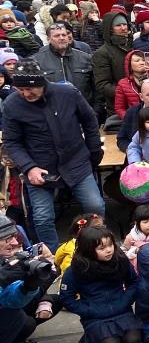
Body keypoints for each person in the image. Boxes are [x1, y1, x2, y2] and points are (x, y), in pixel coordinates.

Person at [2, 60, 103, 248]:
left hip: (75, 160)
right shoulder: (12, 104)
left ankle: (96, 245)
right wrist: (29, 167)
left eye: (30, 89)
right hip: (38, 165)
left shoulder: (67, 93)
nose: (25, 94)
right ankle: (53, 259)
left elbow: (89, 120)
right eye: (20, 89)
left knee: (95, 206)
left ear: (42, 82)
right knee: (42, 218)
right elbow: (11, 142)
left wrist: (93, 151)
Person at [60, 226, 142, 343]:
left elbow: (134, 282)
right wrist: (88, 310)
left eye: (110, 245)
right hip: (95, 317)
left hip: (121, 311)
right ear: (88, 250)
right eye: (101, 248)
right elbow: (66, 298)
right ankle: (92, 337)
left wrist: (125, 300)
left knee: (132, 341)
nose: (109, 250)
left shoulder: (120, 260)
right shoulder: (76, 269)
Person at [33, 22, 94, 101]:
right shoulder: (37, 61)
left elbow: (96, 88)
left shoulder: (85, 58)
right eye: (57, 36)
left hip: (83, 109)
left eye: (64, 35)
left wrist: (96, 110)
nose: (61, 38)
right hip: (52, 109)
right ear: (48, 39)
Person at [91, 10, 131, 119]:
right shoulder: (102, 53)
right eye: (118, 25)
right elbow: (102, 85)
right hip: (118, 107)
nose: (123, 28)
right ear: (110, 28)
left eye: (124, 24)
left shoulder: (132, 46)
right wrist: (128, 93)